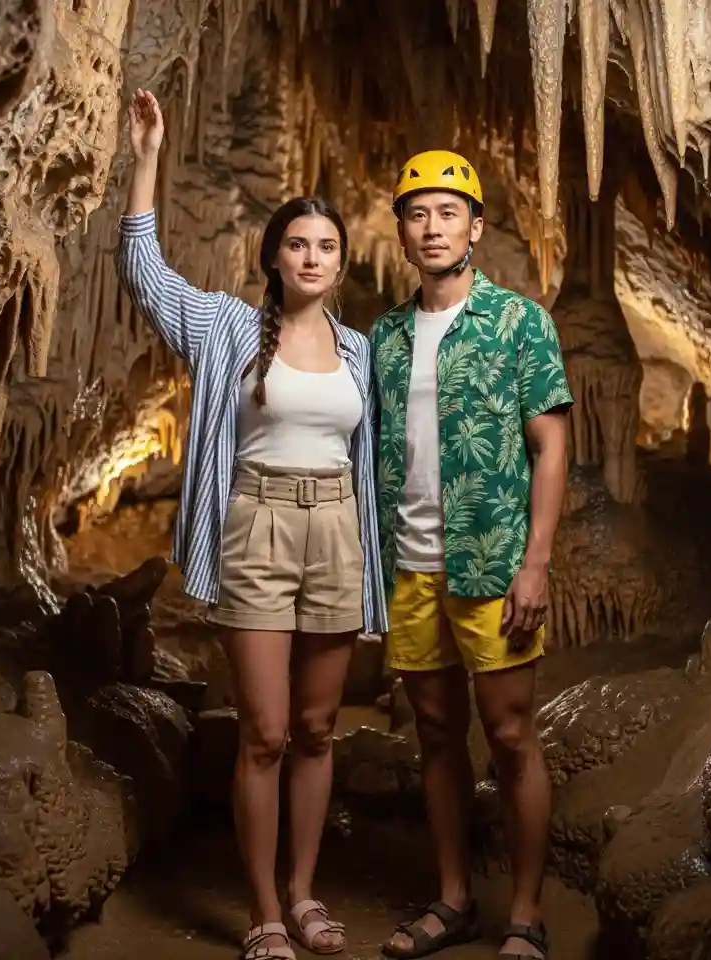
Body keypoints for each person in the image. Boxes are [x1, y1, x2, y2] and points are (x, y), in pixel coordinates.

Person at [116, 88, 388, 960]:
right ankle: (265, 909)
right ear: (273, 256)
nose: (312, 256)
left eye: (327, 246)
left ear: (340, 265)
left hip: (337, 532)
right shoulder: (229, 328)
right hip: (258, 528)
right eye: (298, 243)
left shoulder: (359, 351)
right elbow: (145, 275)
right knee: (264, 732)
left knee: (317, 730)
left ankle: (308, 897)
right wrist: (147, 156)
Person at [370, 150, 574, 960]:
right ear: (402, 231)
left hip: (491, 562)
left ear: (474, 228)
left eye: (447, 212)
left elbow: (550, 448)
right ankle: (452, 899)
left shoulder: (521, 322)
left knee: (512, 734)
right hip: (411, 562)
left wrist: (537, 562)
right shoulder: (384, 336)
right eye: (417, 214)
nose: (431, 226)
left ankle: (524, 912)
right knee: (434, 733)